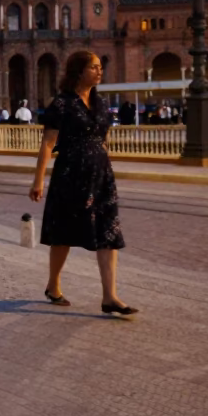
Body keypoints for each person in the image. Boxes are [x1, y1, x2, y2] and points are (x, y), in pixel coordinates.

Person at [29, 51, 138, 317]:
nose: (99, 71)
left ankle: (110, 296)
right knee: (63, 233)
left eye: (101, 67)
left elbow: (103, 139)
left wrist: (103, 166)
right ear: (79, 71)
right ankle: (53, 284)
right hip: (70, 175)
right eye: (94, 67)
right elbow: (48, 143)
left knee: (108, 234)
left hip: (100, 177)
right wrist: (38, 180)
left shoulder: (101, 104)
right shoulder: (62, 104)